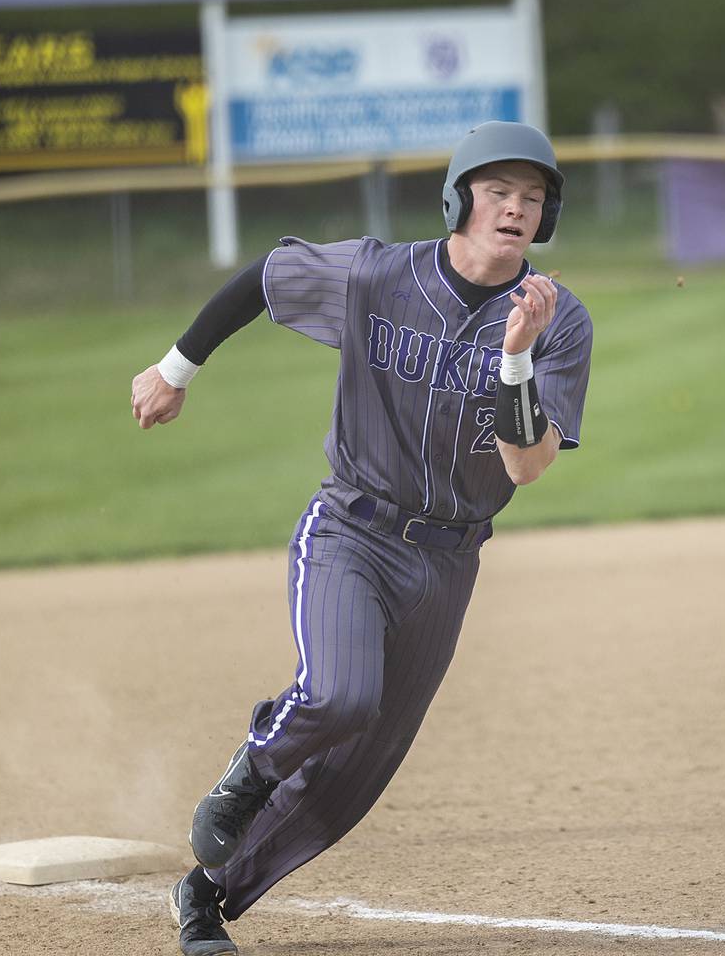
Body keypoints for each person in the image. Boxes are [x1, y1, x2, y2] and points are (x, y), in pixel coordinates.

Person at [129, 120, 592, 956]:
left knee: (350, 781)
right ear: (460, 199)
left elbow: (527, 467)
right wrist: (174, 369)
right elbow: (265, 279)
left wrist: (517, 360)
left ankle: (207, 896)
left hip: (449, 560)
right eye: (498, 190)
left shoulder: (556, 320)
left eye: (532, 196)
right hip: (353, 527)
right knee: (342, 694)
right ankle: (251, 768)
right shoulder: (381, 274)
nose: (515, 208)